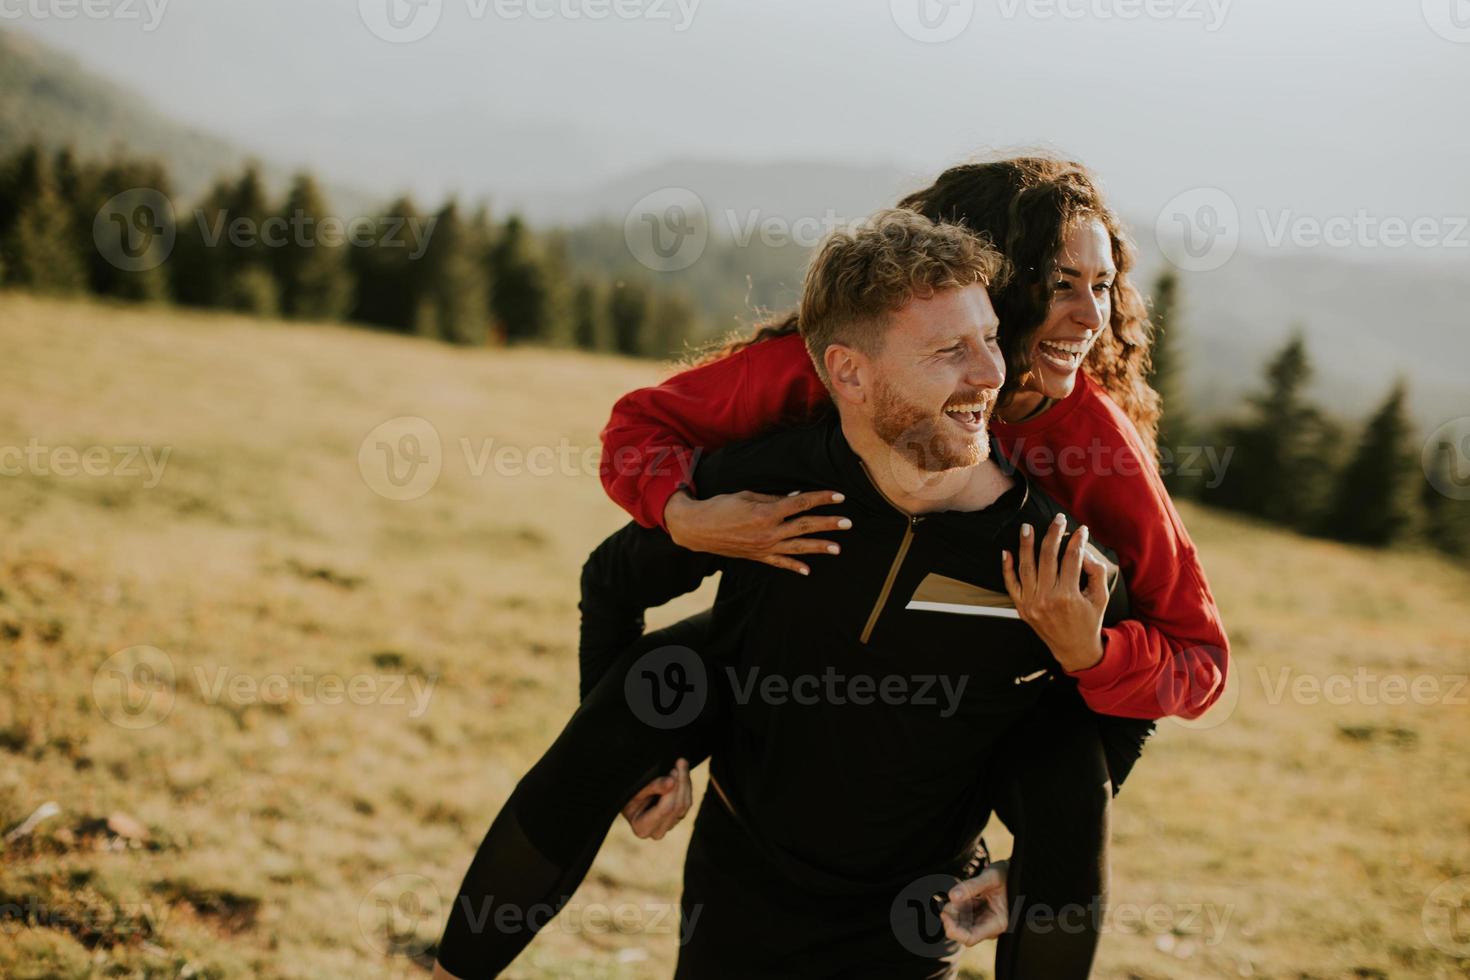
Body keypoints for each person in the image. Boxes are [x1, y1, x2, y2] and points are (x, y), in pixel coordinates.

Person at [435, 211, 1129, 978]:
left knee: (1067, 763)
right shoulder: (779, 484)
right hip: (737, 892)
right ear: (851, 374)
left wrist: (1027, 868)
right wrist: (646, 757)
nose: (992, 373)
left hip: (909, 921)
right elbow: (612, 581)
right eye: (948, 351)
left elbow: (1120, 716)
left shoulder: (1046, 556)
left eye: (990, 338)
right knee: (653, 676)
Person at [591, 155, 1231, 975]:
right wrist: (690, 518)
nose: (1088, 316)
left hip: (938, 826)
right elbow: (640, 430)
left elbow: (1197, 659)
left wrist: (1091, 655)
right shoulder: (826, 367)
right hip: (760, 792)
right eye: (1060, 282)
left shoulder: (1093, 443)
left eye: (1103, 287)